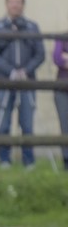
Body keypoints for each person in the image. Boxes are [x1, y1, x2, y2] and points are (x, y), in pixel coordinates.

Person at [0, 0, 45, 169]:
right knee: (3, 122)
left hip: (27, 82)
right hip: (5, 81)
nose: (15, 5)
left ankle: (29, 161)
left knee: (27, 124)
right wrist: (11, 72)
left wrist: (25, 71)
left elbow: (40, 54)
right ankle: (4, 160)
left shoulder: (32, 27)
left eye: (18, 2)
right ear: (6, 3)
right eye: (12, 1)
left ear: (23, 4)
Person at [53, 33, 68, 169]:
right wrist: (63, 58)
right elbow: (57, 58)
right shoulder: (62, 37)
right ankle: (66, 160)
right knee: (65, 126)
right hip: (63, 90)